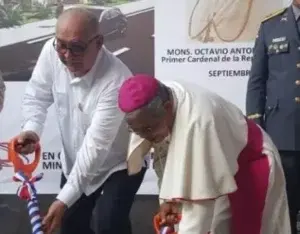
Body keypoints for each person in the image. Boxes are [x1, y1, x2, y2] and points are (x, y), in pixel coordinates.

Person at [14, 7, 146, 234]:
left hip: (118, 163)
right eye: (61, 46)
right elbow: (37, 95)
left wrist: (63, 200)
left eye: (76, 47)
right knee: (71, 227)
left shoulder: (116, 80)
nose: (66, 55)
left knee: (109, 223)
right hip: (74, 161)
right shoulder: (51, 52)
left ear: (98, 42)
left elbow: (96, 149)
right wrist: (32, 130)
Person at [118, 74, 291, 234]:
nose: (145, 136)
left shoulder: (199, 122)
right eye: (136, 131)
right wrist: (169, 201)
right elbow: (167, 162)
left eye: (148, 129)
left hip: (250, 165)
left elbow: (198, 210)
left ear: (167, 107)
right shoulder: (157, 103)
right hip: (220, 166)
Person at [246, 2, 300, 233]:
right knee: (285, 207)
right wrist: (257, 128)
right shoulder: (271, 25)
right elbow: (257, 81)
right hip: (282, 133)